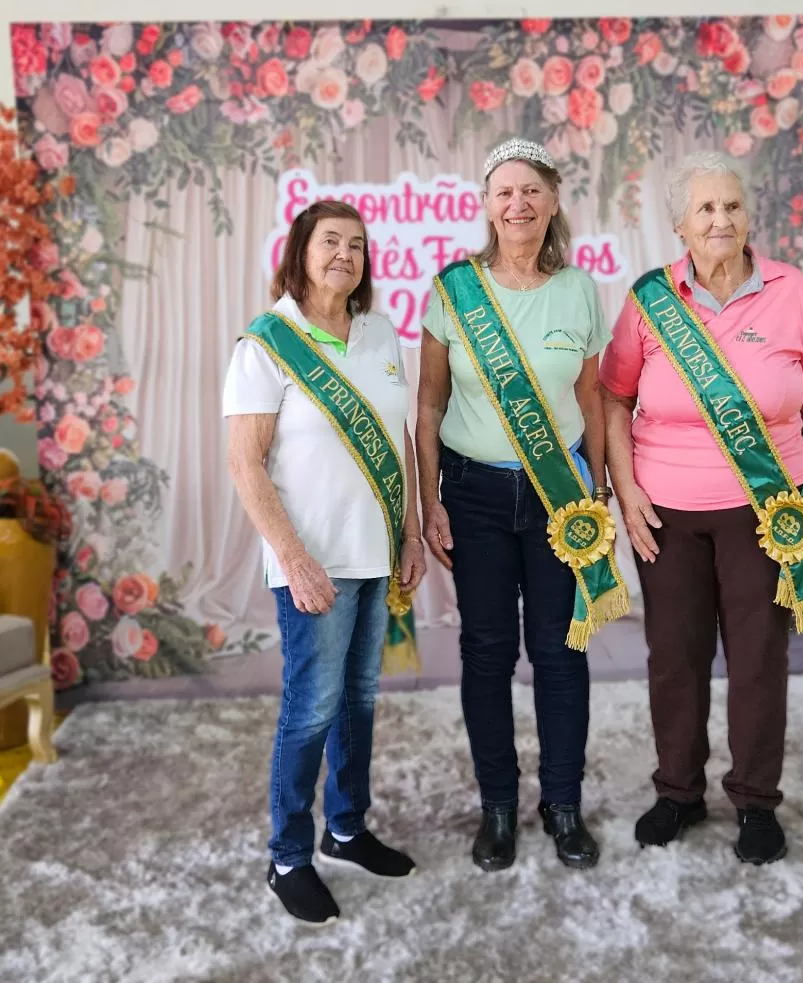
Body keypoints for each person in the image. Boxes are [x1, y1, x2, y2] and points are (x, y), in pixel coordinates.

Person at [600, 150, 803, 865]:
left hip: (767, 515)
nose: (722, 219)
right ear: (680, 224)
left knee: (759, 659)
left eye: (732, 206)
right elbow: (614, 398)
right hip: (668, 514)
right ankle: (678, 791)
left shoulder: (791, 290)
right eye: (706, 208)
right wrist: (626, 489)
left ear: (748, 217)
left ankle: (755, 801)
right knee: (674, 659)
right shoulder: (650, 298)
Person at [416, 138, 629, 872]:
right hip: (472, 494)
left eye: (531, 190)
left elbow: (593, 401)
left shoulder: (579, 289)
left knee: (561, 651)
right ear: (486, 205)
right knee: (486, 653)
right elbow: (429, 400)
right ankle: (498, 807)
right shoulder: (453, 289)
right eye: (504, 192)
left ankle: (562, 806)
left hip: (558, 496)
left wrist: (595, 495)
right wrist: (429, 499)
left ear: (553, 201)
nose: (518, 204)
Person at [224, 200, 426, 924]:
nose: (345, 253)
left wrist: (411, 529)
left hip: (377, 557)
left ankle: (346, 828)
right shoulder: (267, 343)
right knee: (310, 710)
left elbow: (398, 437)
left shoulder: (379, 333)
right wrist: (294, 557)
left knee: (358, 704)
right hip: (312, 562)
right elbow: (246, 466)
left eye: (357, 244)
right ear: (300, 251)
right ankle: (288, 855)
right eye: (330, 241)